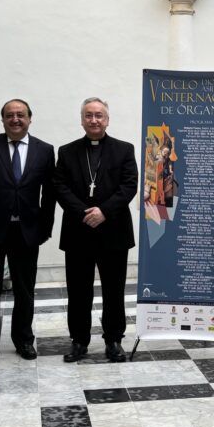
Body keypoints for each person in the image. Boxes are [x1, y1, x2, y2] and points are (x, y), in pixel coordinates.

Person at [0, 99, 56, 364]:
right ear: (2, 119)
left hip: (27, 232)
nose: (15, 119)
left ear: (30, 118)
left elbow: (49, 194)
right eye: (9, 115)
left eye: (20, 115)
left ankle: (24, 340)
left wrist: (45, 229)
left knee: (25, 290)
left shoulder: (44, 150)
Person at [53, 97, 137, 363]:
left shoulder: (124, 149)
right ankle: (79, 341)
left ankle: (114, 340)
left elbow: (129, 185)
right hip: (79, 232)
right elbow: (60, 187)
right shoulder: (67, 152)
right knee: (78, 291)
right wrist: (84, 212)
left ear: (107, 119)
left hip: (113, 231)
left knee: (114, 290)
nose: (94, 120)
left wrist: (104, 211)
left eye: (99, 115)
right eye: (88, 115)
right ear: (82, 120)